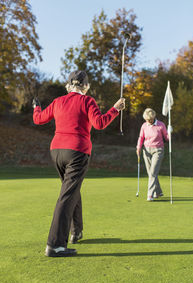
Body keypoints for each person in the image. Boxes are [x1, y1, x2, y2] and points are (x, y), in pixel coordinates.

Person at [32, 70, 125, 257]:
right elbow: (99, 123)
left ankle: (77, 231)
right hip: (77, 152)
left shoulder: (58, 101)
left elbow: (38, 119)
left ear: (69, 85)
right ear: (86, 86)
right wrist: (115, 109)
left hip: (57, 152)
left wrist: (36, 107)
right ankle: (55, 245)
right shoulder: (87, 101)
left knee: (72, 190)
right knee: (67, 196)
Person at [136, 108, 169, 202]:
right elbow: (141, 137)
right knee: (150, 173)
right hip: (146, 151)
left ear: (153, 117)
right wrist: (138, 147)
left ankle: (150, 194)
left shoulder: (160, 125)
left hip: (158, 150)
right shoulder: (144, 126)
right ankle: (158, 192)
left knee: (153, 172)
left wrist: (170, 133)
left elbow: (166, 138)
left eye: (149, 119)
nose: (148, 121)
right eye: (146, 120)